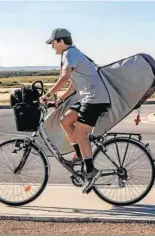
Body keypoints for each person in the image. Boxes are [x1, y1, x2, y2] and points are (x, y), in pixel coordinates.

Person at [39, 28, 111, 193]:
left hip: (94, 99)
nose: (52, 47)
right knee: (65, 120)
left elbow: (64, 78)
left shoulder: (69, 54)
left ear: (62, 41)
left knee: (80, 134)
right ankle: (79, 155)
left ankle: (91, 171)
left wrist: (47, 95)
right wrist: (59, 100)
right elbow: (73, 86)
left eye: (53, 43)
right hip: (88, 98)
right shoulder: (74, 54)